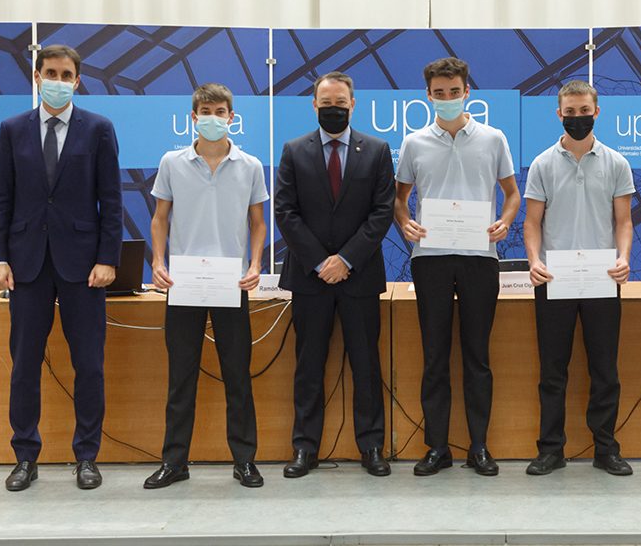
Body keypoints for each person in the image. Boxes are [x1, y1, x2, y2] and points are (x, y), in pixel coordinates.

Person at [0, 44, 122, 491]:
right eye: (51, 73)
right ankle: (25, 457)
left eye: (67, 75)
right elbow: (2, 199)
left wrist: (108, 258)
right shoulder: (12, 129)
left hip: (84, 266)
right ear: (36, 76)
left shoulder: (98, 129)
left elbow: (112, 200)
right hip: (26, 264)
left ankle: (87, 456)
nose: (58, 81)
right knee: (24, 365)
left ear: (77, 81)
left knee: (90, 366)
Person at [394, 57, 520, 477]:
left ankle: (479, 446)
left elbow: (512, 194)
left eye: (454, 91)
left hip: (480, 256)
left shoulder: (493, 138)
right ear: (428, 95)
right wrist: (404, 222)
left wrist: (505, 221)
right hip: (429, 258)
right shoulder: (414, 143)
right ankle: (437, 448)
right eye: (439, 93)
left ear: (467, 91)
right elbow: (399, 198)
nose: (446, 98)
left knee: (477, 356)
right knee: (434, 356)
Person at [143, 83, 267, 489]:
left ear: (232, 117)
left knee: (237, 375)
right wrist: (157, 262)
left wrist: (255, 264)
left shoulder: (250, 165)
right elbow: (160, 218)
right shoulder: (172, 162)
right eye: (206, 112)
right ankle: (174, 461)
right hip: (183, 283)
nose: (213, 118)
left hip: (232, 283)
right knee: (181, 376)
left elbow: (258, 223)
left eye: (220, 112)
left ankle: (244, 460)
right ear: (193, 117)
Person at [274, 72, 395, 478]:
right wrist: (319, 261)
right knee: (308, 366)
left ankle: (372, 446)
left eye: (340, 103)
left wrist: (345, 259)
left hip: (359, 276)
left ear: (353, 104)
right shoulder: (294, 150)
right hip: (310, 279)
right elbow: (285, 212)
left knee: (366, 365)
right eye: (326, 104)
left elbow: (382, 213)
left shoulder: (377, 150)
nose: (333, 110)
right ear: (314, 105)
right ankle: (304, 448)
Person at [523, 81, 636, 477]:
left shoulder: (617, 163)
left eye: (584, 111)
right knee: (552, 371)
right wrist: (533, 261)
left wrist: (624, 258)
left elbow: (624, 222)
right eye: (570, 112)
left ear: (597, 111)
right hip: (554, 280)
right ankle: (550, 450)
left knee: (605, 371)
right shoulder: (541, 164)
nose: (577, 118)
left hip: (603, 280)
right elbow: (532, 223)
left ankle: (606, 449)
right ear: (559, 114)